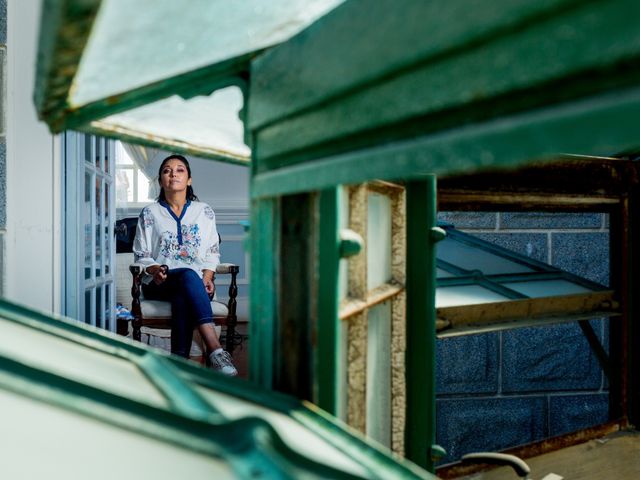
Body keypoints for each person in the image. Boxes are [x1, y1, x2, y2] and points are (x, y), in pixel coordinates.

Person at [133, 153, 237, 376]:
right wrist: (154, 270)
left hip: (194, 285)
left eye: (180, 169)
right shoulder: (150, 213)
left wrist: (207, 278)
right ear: (161, 180)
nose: (173, 174)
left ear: (189, 179)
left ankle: (178, 367)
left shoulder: (204, 212)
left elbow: (212, 252)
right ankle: (215, 349)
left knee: (185, 289)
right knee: (188, 277)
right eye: (167, 170)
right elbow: (141, 254)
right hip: (159, 283)